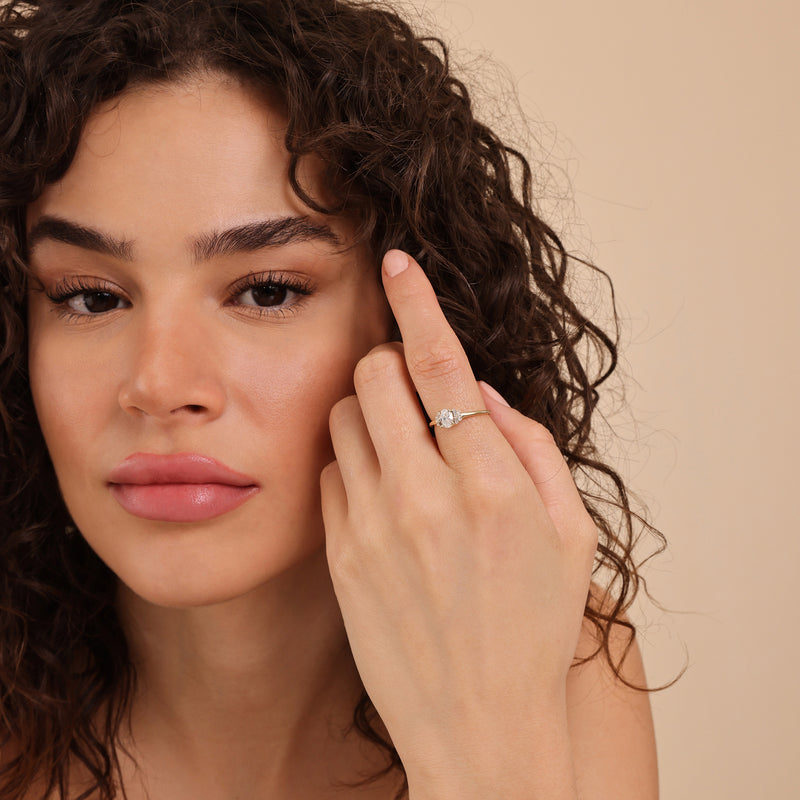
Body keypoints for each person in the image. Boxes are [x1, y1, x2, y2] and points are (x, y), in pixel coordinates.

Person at [0, 0, 660, 797]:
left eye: (268, 291)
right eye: (92, 299)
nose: (161, 386)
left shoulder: (547, 643)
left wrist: (492, 747)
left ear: (411, 328)